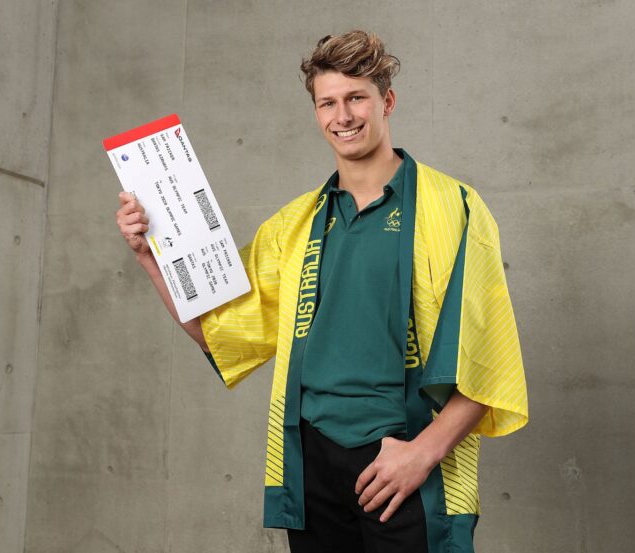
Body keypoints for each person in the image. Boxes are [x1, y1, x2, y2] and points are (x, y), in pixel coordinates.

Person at [115, 30, 528, 553]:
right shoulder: (294, 225)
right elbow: (216, 331)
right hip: (311, 461)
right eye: (327, 103)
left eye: (357, 97)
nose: (343, 116)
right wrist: (149, 257)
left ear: (387, 102)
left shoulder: (454, 207)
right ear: (316, 112)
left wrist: (422, 454)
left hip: (406, 459)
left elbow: (488, 359)